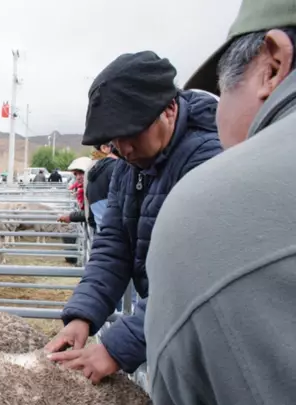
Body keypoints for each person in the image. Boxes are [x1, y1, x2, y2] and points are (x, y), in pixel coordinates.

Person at [144, 1, 296, 403]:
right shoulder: (134, 169)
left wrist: (119, 341)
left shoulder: (206, 204)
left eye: (224, 87)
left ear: (272, 67)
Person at [43, 50, 223, 384]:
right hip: (167, 330)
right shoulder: (130, 168)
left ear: (168, 109)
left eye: (132, 133)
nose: (123, 148)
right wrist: (82, 316)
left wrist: (115, 349)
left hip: (213, 345)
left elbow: (200, 276)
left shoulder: (209, 160)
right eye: (115, 139)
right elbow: (113, 246)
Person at [58, 145, 118, 232]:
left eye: (81, 173)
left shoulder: (94, 185)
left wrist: (71, 217)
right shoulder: (83, 189)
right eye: (75, 174)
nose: (78, 177)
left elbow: (90, 214)